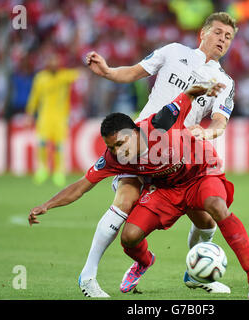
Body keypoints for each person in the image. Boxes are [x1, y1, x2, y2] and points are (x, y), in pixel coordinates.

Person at [28, 83, 249, 299]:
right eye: (111, 147)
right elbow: (81, 186)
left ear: (134, 132)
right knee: (129, 237)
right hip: (166, 189)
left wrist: (206, 88)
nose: (117, 151)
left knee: (216, 208)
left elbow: (186, 95)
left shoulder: (160, 123)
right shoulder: (115, 158)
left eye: (121, 143)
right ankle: (144, 262)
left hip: (200, 174)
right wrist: (47, 205)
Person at [81, 12, 237, 297]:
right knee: (125, 199)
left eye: (228, 36)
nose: (222, 39)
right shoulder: (173, 52)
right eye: (217, 32)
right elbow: (133, 72)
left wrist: (210, 133)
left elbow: (219, 121)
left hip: (178, 158)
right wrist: (107, 71)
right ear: (202, 33)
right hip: (141, 145)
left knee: (206, 221)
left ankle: (196, 275)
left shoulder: (224, 81)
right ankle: (88, 277)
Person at [25, 54, 79, 187]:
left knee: (59, 146)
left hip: (60, 118)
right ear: (47, 64)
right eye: (51, 61)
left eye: (56, 61)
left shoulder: (64, 76)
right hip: (45, 116)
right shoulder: (41, 78)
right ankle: (42, 169)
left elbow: (80, 74)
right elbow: (35, 96)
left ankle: (58, 172)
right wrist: (30, 112)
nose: (54, 64)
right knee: (42, 143)